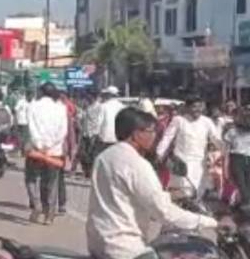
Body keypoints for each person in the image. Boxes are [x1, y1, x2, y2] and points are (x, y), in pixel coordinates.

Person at [87, 107, 217, 259]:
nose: (155, 136)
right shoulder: (137, 163)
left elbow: (123, 194)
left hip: (98, 242)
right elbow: (165, 213)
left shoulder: (104, 156)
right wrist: (209, 222)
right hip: (125, 249)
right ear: (136, 134)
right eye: (151, 131)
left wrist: (167, 195)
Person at [156, 96, 223, 199]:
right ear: (187, 107)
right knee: (183, 194)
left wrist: (227, 149)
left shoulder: (207, 122)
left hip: (200, 164)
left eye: (200, 107)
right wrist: (159, 153)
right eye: (194, 106)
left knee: (198, 193)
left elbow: (215, 139)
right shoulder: (179, 120)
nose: (198, 110)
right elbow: (167, 138)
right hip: (181, 163)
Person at [25, 83, 69, 225]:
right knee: (52, 183)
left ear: (41, 92)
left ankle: (37, 205)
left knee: (31, 178)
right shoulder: (61, 108)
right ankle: (49, 215)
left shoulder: (33, 106)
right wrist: (50, 145)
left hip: (36, 150)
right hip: (54, 151)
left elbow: (31, 127)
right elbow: (63, 132)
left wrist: (40, 144)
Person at [226, 106, 250, 212]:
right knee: (241, 186)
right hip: (236, 159)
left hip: (248, 159)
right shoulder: (232, 131)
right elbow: (226, 149)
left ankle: (242, 211)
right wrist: (225, 166)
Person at [93, 86, 124, 161]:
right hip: (118, 138)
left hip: (105, 138)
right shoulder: (122, 107)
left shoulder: (103, 106)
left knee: (105, 160)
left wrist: (95, 135)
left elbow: (98, 123)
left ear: (109, 95)